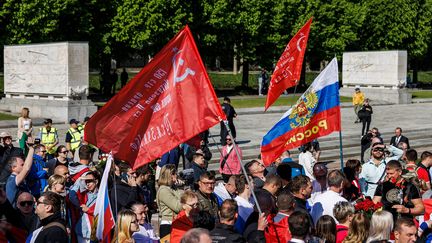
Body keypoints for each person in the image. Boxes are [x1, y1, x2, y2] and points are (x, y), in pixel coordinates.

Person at [69, 171, 100, 243]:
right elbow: (72, 196)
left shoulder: (102, 195)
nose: (87, 184)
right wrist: (79, 180)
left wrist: (88, 210)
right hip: (81, 231)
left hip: (94, 230)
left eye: (90, 181)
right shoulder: (83, 194)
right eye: (86, 181)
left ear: (96, 181)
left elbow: (103, 211)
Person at [156, 164, 183, 238]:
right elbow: (178, 207)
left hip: (176, 222)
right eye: (173, 173)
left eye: (176, 173)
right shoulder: (163, 190)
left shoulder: (173, 188)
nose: (176, 175)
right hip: (168, 225)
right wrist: (181, 190)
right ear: (167, 175)